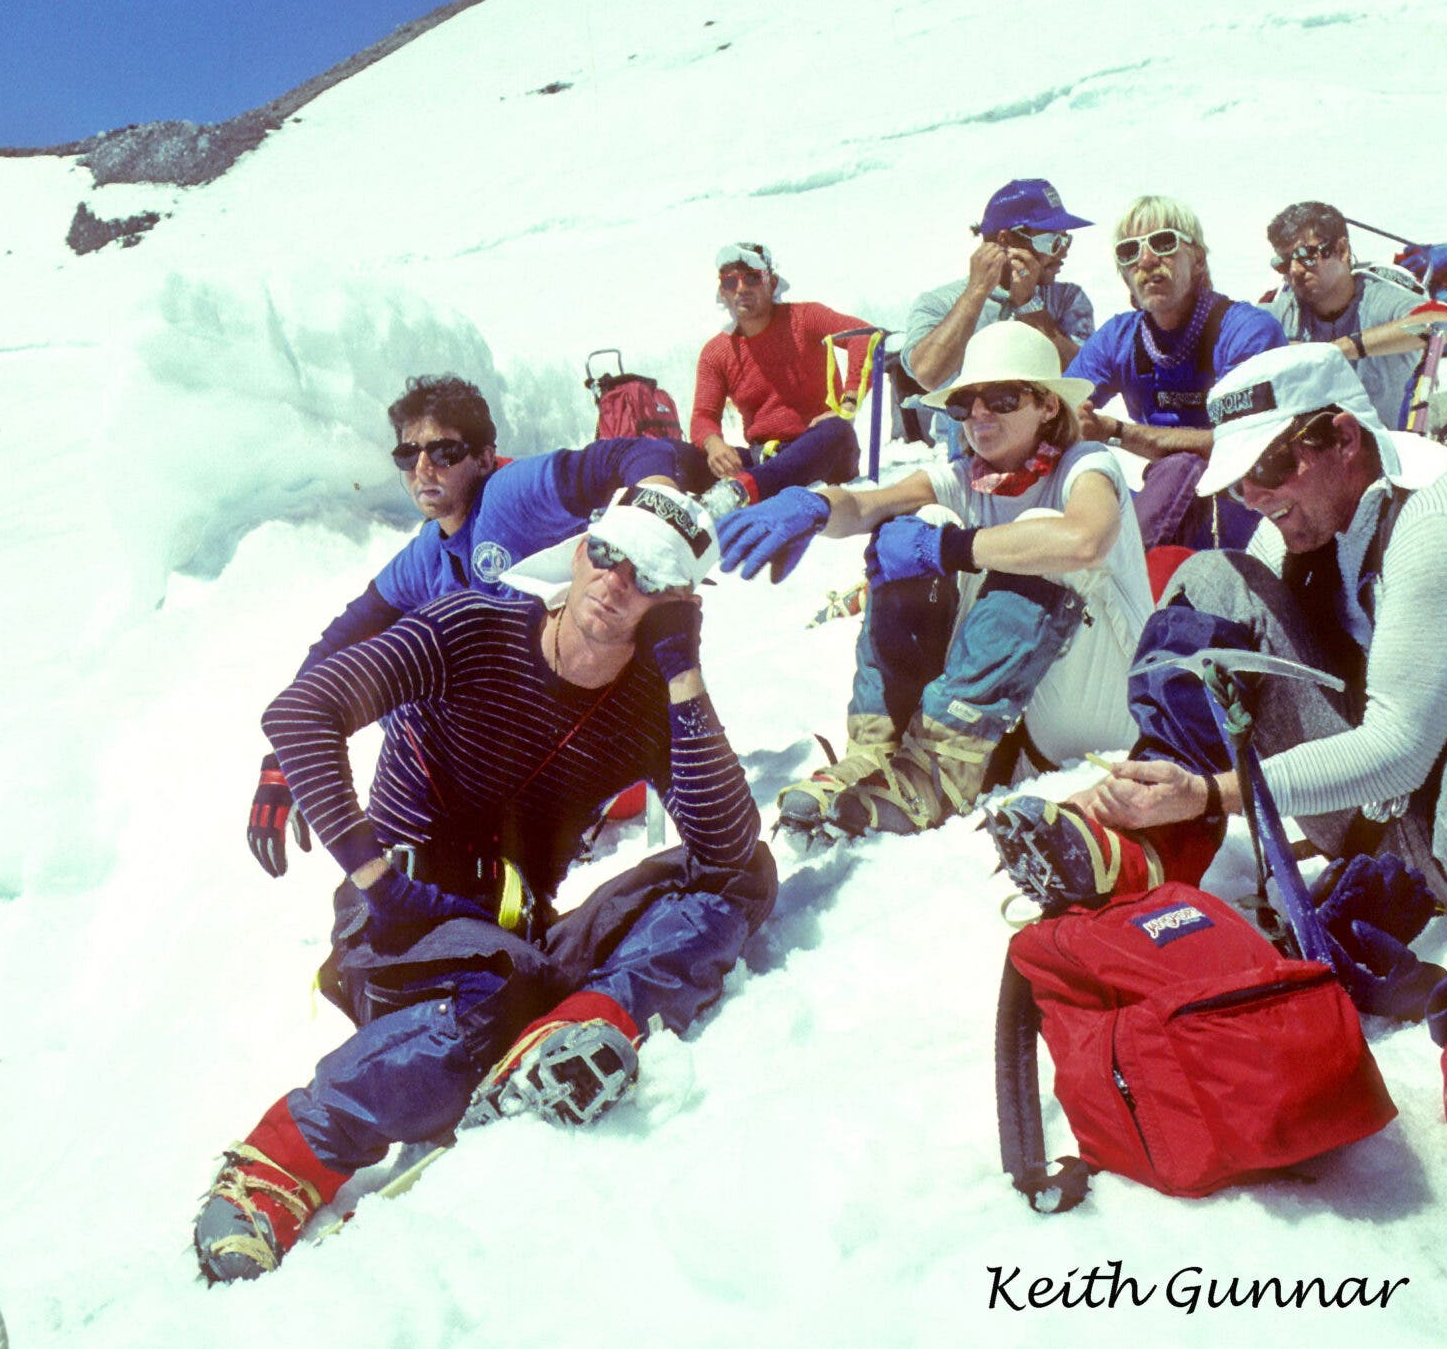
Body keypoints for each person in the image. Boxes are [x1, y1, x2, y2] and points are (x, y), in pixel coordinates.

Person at [988, 344, 1447, 1217]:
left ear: (1344, 437)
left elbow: (1399, 747)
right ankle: (1142, 839)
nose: (1254, 493)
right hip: (1393, 813)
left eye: (1273, 466)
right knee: (1212, 580)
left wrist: (1219, 791)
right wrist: (1182, 780)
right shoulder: (1305, 516)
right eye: (1241, 474)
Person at [195, 487, 771, 1282]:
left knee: (745, 878)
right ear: (581, 549)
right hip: (397, 923)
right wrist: (374, 876)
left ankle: (580, 1023)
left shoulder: (647, 698)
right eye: (608, 553)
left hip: (514, 939)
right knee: (497, 988)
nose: (614, 581)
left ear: (677, 603)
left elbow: (727, 847)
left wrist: (682, 673)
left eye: (647, 575)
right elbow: (301, 711)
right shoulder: (471, 625)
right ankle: (280, 1161)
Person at [714, 321, 1149, 840]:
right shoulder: (966, 477)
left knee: (1035, 534)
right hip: (1021, 710)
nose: (980, 414)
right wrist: (815, 505)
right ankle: (883, 744)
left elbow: (1085, 539)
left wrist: (951, 549)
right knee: (916, 523)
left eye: (1003, 398)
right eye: (966, 403)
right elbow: (867, 505)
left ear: (1048, 405)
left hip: (1101, 712)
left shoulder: (1087, 464)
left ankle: (940, 769)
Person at [245, 374, 690, 876]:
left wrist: (656, 510)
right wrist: (284, 759)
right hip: (517, 761)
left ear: (482, 457)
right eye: (408, 454)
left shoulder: (509, 496)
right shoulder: (429, 552)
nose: (423, 468)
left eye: (444, 451)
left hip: (604, 766)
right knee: (409, 665)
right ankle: (418, 858)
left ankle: (423, 865)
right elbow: (343, 639)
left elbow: (633, 454)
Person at [1063, 196, 1287, 550]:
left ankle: (1124, 568)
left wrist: (1115, 432)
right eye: (1129, 251)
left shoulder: (1247, 331)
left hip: (1244, 506)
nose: (1146, 260)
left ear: (1197, 259)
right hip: (1162, 505)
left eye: (1163, 243)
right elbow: (1058, 410)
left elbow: (1241, 444)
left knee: (1183, 465)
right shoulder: (1118, 338)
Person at [688, 242, 873, 517]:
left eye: (752, 278)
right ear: (722, 292)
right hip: (763, 458)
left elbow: (865, 335)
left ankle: (741, 492)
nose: (741, 288)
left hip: (822, 450)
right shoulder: (716, 352)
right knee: (678, 454)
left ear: (772, 283)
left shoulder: (806, 318)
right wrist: (714, 445)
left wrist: (847, 405)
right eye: (730, 282)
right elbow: (703, 416)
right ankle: (655, 505)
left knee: (836, 429)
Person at [897, 178, 1096, 401]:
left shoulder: (1068, 298)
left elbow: (1085, 377)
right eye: (1052, 241)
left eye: (1066, 240)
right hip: (963, 423)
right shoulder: (939, 302)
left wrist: (1029, 305)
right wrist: (975, 294)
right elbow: (928, 374)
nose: (1063, 252)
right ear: (1006, 240)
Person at [1261, 201, 1435, 428]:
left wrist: (1340, 350)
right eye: (1284, 263)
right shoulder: (1283, 311)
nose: (1295, 270)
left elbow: (1441, 323)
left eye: (1307, 255)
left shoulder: (1379, 299)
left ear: (1342, 250)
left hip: (1391, 442)